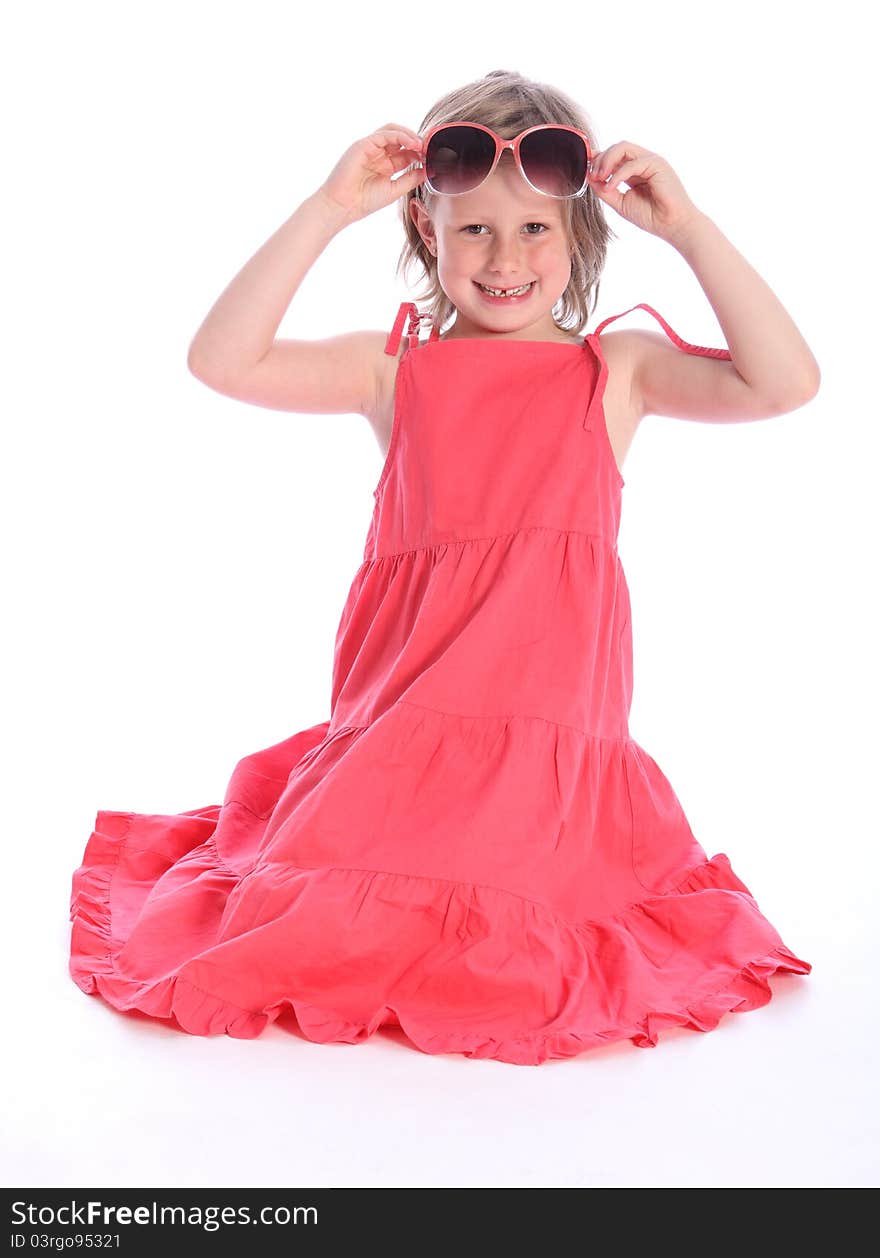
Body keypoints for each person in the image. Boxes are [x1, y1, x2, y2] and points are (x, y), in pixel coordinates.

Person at [69, 70, 818, 1067]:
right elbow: (223, 360)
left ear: (581, 236)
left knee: (510, 943)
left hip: (544, 763)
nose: (504, 258)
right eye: (473, 230)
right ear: (427, 233)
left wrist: (688, 228)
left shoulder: (617, 371)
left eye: (535, 230)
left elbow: (784, 383)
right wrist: (328, 208)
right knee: (336, 916)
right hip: (402, 743)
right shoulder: (396, 371)